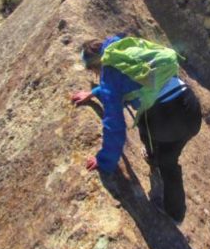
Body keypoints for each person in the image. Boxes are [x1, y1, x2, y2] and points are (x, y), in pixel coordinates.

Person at [70, 35, 202, 221]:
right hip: (191, 108)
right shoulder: (123, 46)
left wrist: (105, 160)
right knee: (170, 155)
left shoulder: (109, 75)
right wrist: (94, 93)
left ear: (95, 67)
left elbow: (114, 124)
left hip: (166, 120)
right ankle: (174, 205)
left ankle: (172, 207)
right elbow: (125, 85)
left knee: (150, 133)